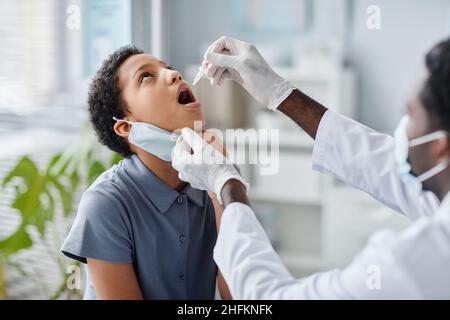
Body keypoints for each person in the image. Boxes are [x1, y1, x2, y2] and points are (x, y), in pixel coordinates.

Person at [171, 36, 450, 299]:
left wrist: (227, 183)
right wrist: (281, 94)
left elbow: (268, 299)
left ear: (441, 146)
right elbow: (376, 160)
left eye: (410, 114)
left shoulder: (414, 265)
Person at [61, 45, 231, 300]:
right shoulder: (106, 205)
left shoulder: (217, 173)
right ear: (125, 127)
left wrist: (221, 190)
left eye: (169, 69)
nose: (174, 75)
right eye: (146, 76)